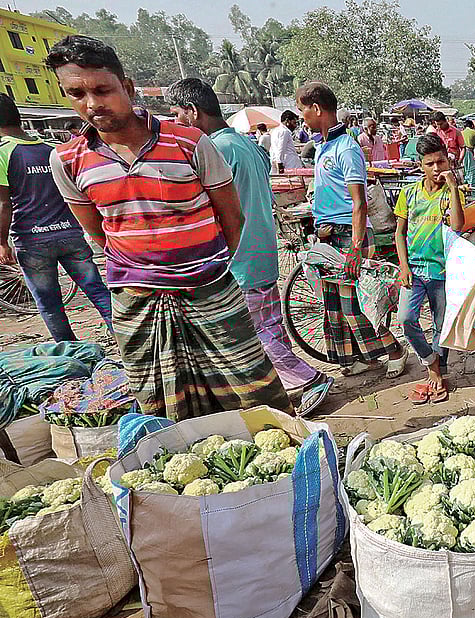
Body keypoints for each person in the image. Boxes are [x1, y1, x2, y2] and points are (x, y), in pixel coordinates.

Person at [47, 36, 291, 420]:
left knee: (254, 393)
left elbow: (232, 217)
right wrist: (147, 268)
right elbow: (99, 232)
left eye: (102, 90)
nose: (92, 104)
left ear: (126, 88)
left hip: (209, 289)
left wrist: (204, 265)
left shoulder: (189, 142)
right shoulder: (67, 160)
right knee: (163, 403)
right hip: (138, 299)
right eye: (76, 93)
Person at [166, 78, 333, 417]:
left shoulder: (215, 149)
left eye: (177, 114)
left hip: (238, 258)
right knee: (269, 329)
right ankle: (290, 387)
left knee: (255, 335)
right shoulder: (246, 145)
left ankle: (310, 379)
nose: (175, 122)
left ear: (193, 112)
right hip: (260, 252)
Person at [297, 81, 407, 378]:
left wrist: (357, 247)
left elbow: (359, 203)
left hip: (350, 233)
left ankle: (395, 350)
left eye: (302, 110)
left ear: (316, 109)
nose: (301, 116)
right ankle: (356, 358)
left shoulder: (346, 148)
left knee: (357, 304)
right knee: (334, 304)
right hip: (328, 233)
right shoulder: (322, 147)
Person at [0, 93, 112, 343]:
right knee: (98, 291)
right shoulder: (53, 149)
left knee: (50, 304)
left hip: (32, 241)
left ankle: (72, 353)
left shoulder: (3, 153)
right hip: (70, 234)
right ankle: (129, 341)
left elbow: (4, 203)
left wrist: (2, 242)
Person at [393, 134, 466, 404]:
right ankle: (431, 360)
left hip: (442, 270)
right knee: (405, 319)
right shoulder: (409, 194)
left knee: (440, 324)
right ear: (420, 165)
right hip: (414, 268)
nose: (437, 169)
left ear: (448, 160)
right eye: (430, 164)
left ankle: (438, 373)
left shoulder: (450, 194)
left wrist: (454, 188)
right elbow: (399, 233)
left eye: (441, 162)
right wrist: (403, 265)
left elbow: (458, 226)